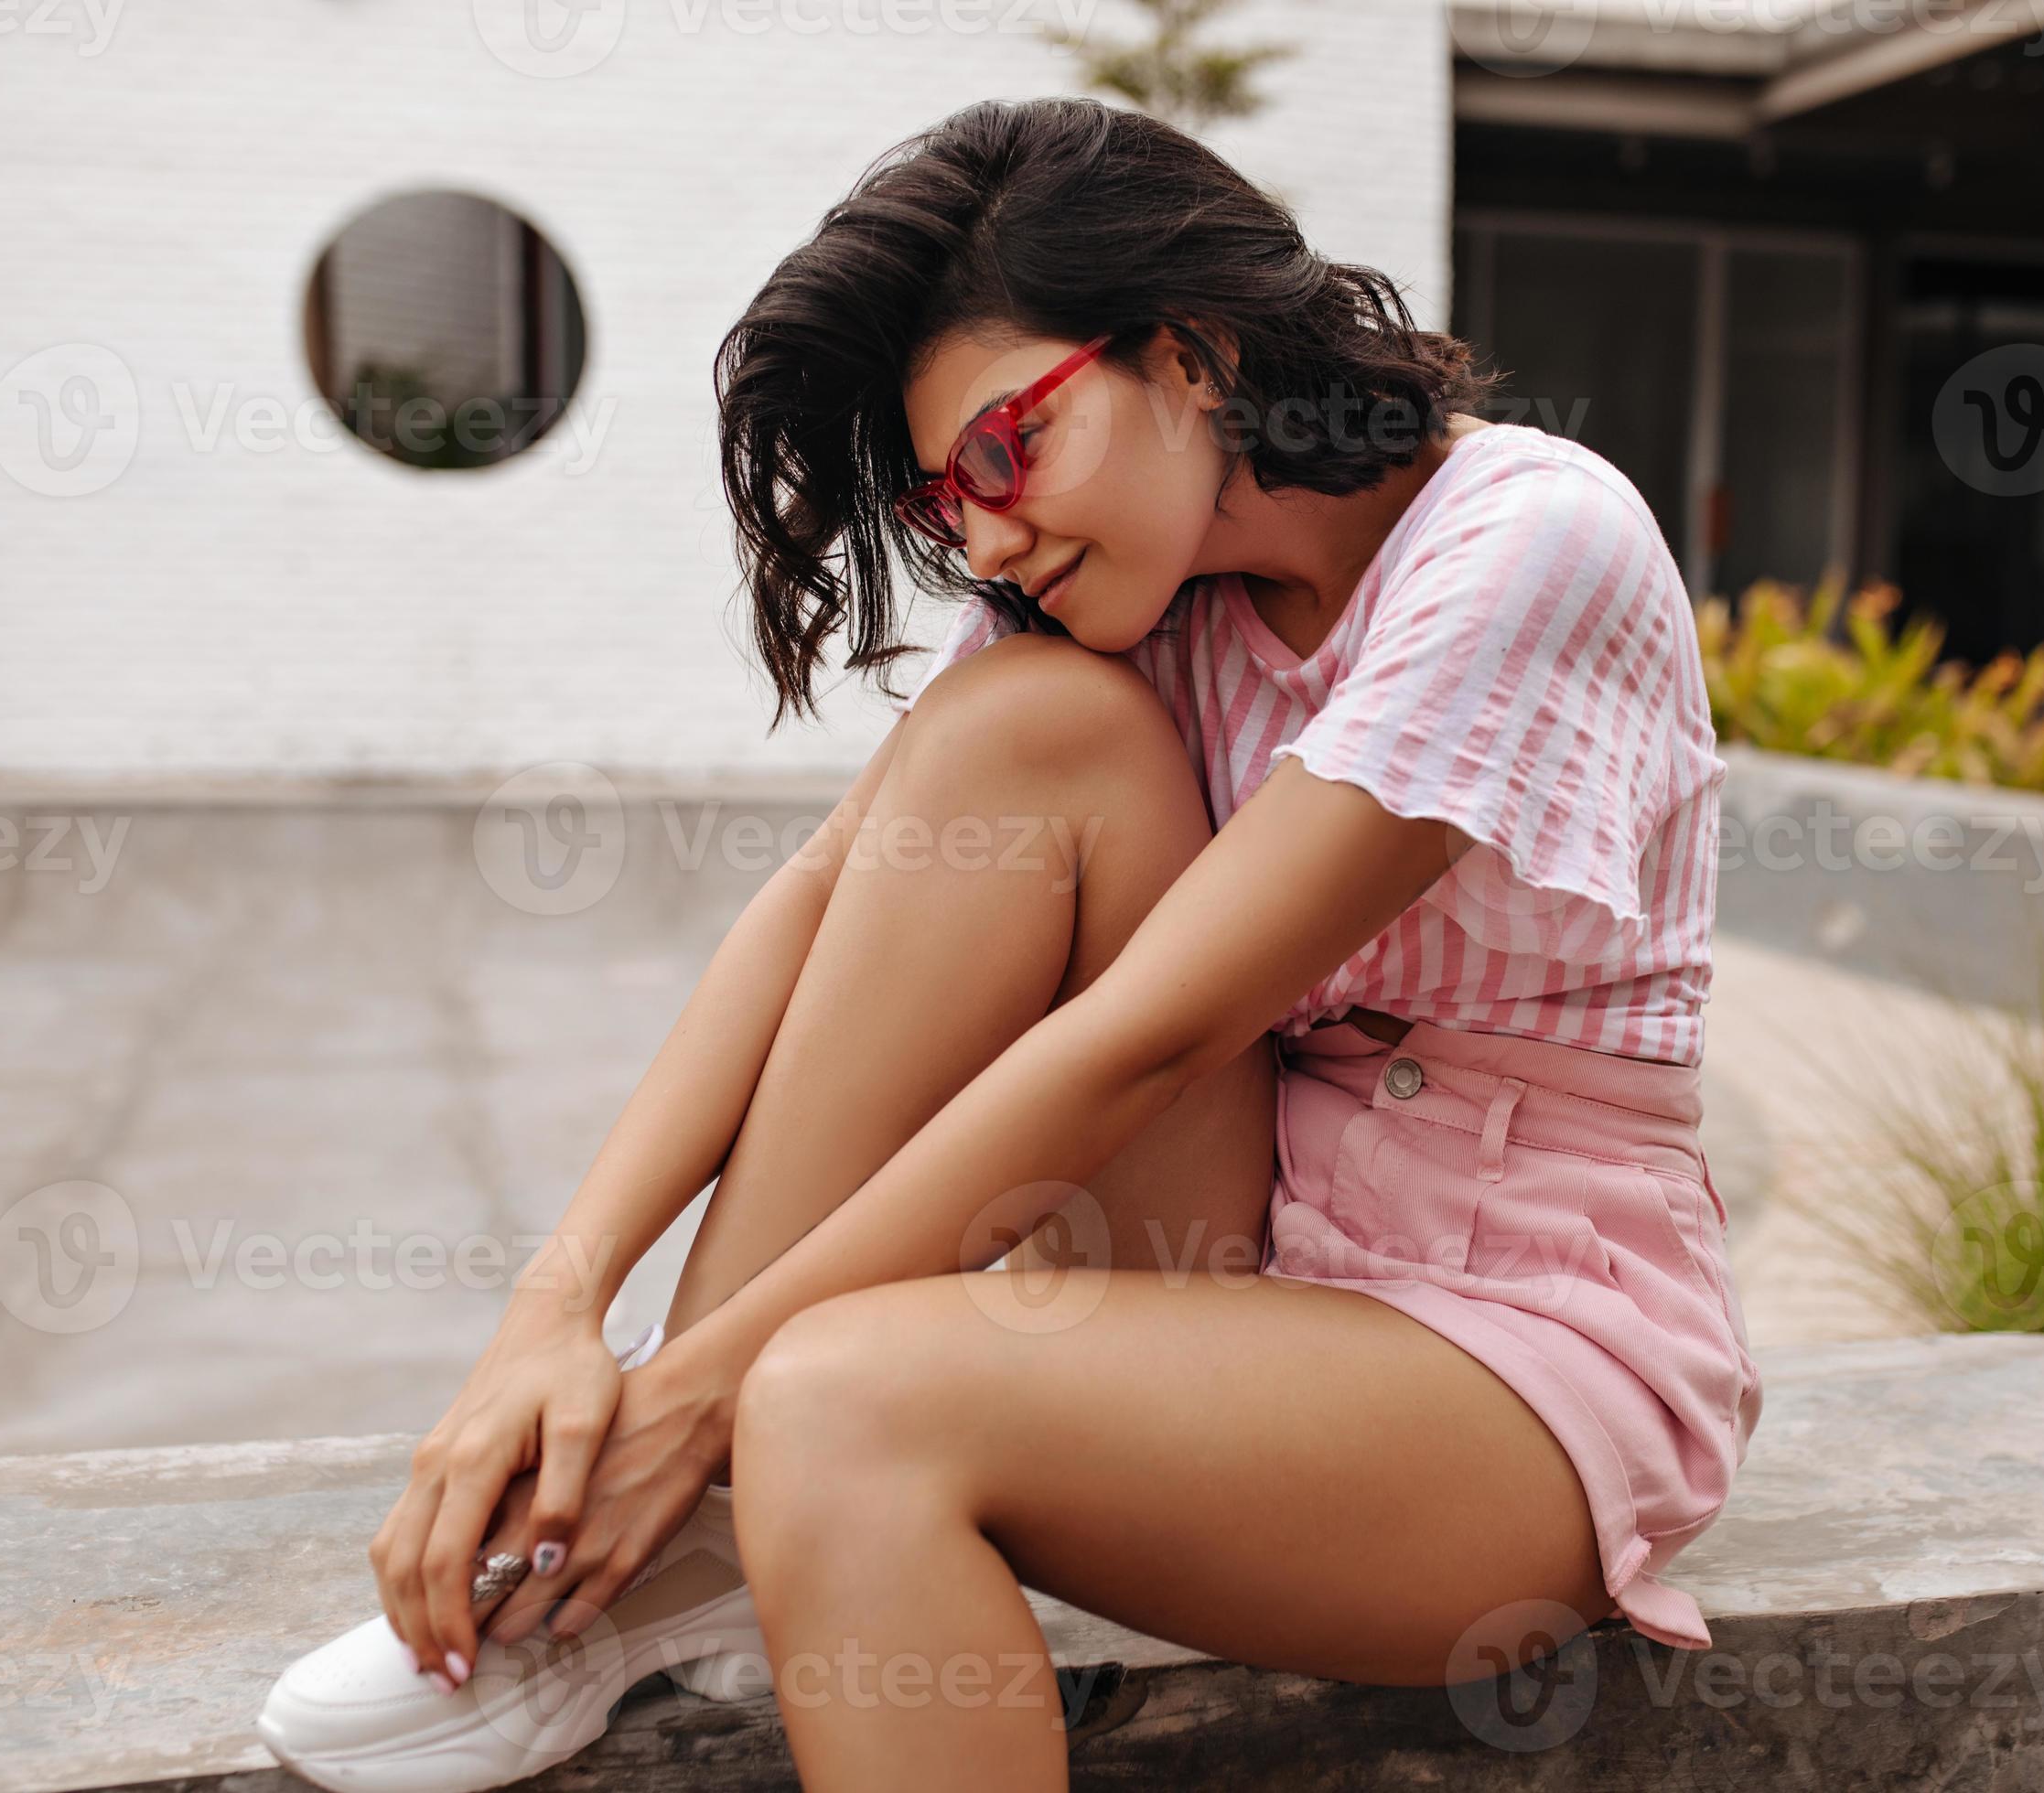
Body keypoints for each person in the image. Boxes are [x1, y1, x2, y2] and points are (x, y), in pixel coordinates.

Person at [264, 94, 1761, 1793]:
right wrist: (559, 1310)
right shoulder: (1125, 599)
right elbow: (820, 899)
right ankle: (696, 1534)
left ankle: (708, 1495)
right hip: (1236, 1254)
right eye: (936, 503)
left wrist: (694, 1398)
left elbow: (1152, 1037)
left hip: (1517, 1359)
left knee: (835, 1396)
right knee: (1016, 737)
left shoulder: (1526, 544)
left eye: (1001, 452)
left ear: (1188, 353)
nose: (982, 538)